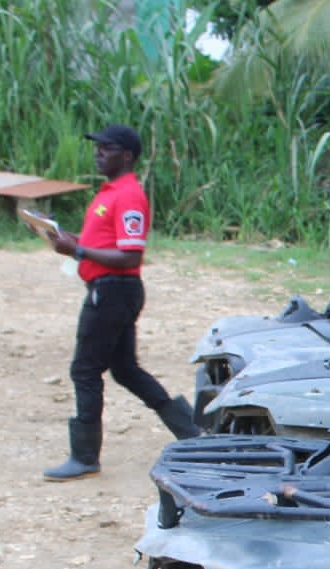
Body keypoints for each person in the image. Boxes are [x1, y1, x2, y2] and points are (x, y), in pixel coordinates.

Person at [41, 122, 198, 482]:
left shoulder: (128, 196)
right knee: (125, 369)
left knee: (85, 370)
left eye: (106, 148)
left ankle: (84, 456)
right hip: (114, 289)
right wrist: (71, 240)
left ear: (127, 155)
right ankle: (190, 433)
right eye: (97, 147)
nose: (98, 153)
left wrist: (77, 249)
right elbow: (108, 244)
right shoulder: (110, 192)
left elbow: (129, 256)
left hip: (113, 290)